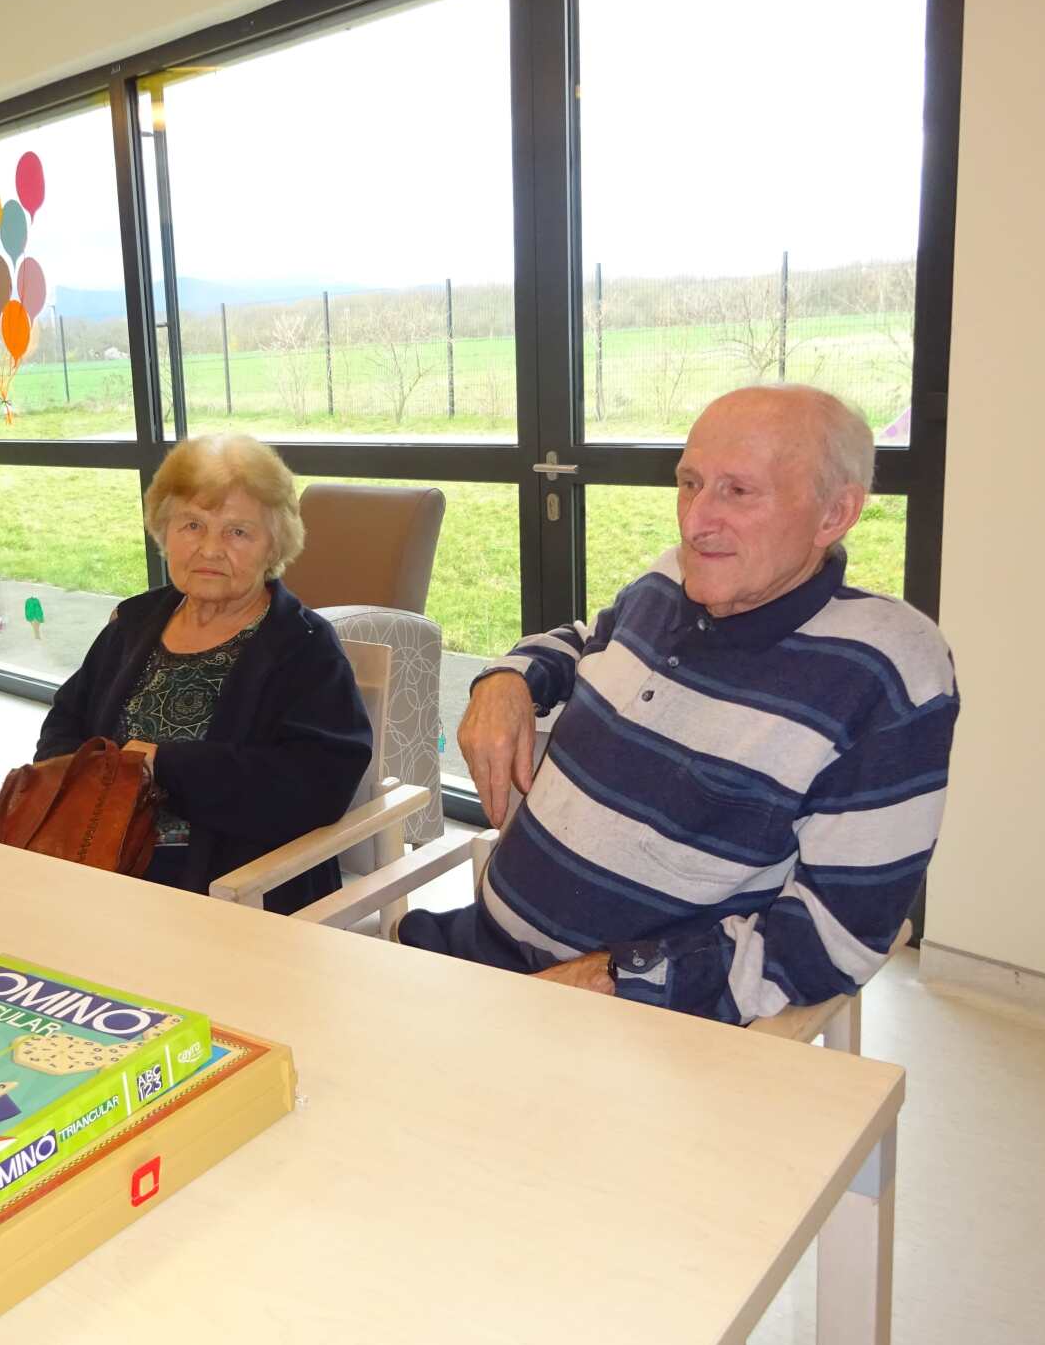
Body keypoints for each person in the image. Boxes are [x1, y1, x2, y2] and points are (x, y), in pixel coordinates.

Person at [400, 384, 959, 1023]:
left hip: (633, 1024)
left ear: (834, 514)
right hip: (479, 950)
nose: (694, 523)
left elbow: (837, 939)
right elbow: (586, 641)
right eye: (689, 483)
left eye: (738, 491)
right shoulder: (673, 579)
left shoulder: (887, 672)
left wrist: (614, 977)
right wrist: (509, 681)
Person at [36, 435, 373, 913]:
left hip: (231, 888)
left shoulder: (304, 647)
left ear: (273, 544)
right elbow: (64, 724)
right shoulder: (134, 623)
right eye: (192, 525)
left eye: (238, 532)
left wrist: (164, 766)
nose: (210, 549)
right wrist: (92, 779)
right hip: (100, 859)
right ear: (164, 531)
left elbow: (320, 785)